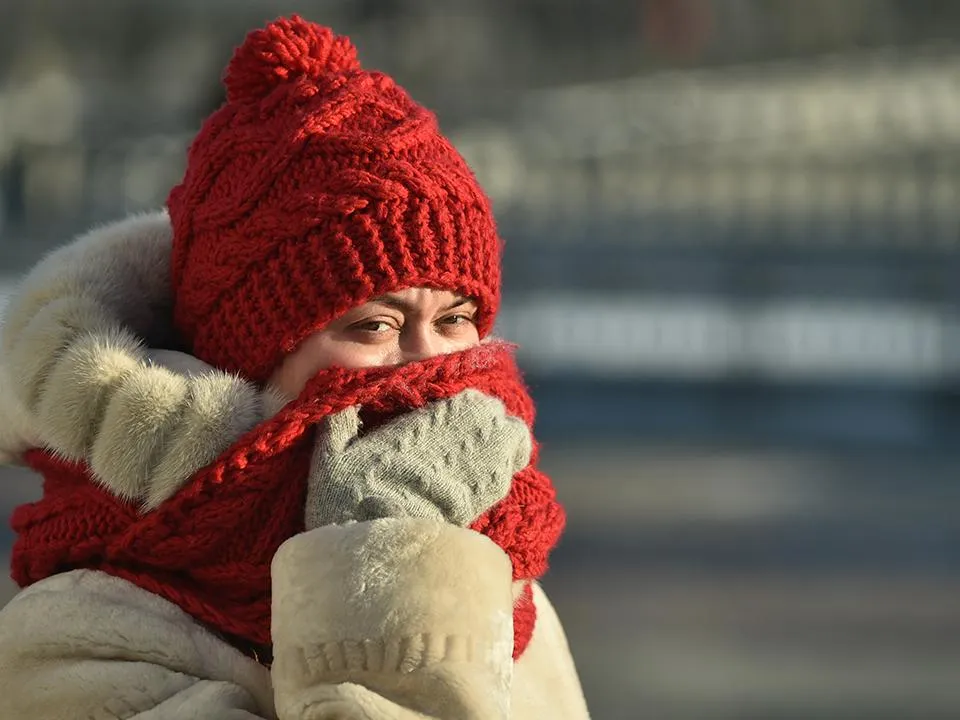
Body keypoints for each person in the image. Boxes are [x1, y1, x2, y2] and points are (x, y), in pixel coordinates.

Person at [0, 15, 590, 720]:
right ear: (248, 356)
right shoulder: (80, 634)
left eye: (456, 319)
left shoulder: (494, 571)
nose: (432, 366)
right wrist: (380, 557)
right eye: (375, 325)